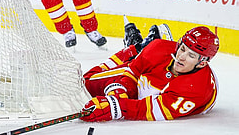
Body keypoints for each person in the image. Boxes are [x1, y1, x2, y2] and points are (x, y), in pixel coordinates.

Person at [80, 23, 219, 122]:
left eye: (191, 56)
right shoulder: (160, 49)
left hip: (173, 90)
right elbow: (131, 72)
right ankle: (136, 48)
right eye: (182, 49)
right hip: (159, 66)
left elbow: (148, 110)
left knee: (143, 93)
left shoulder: (196, 89)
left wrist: (115, 107)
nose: (181, 56)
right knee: (85, 82)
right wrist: (120, 89)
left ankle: (139, 49)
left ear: (202, 63)